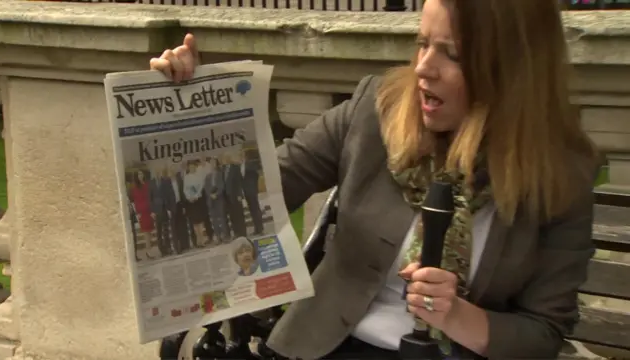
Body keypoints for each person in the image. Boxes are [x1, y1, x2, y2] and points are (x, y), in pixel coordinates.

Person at [149, 0, 598, 358]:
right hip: (328, 347)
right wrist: (195, 114)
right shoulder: (375, 111)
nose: (424, 67)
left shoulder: (562, 172)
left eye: (453, 53)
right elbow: (256, 190)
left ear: (516, 69)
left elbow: (544, 332)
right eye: (422, 43)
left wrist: (456, 314)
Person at [130, 170, 155, 260]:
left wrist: (152, 210)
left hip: (149, 210)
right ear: (136, 176)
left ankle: (149, 250)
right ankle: (148, 251)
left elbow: (150, 197)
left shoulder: (147, 184)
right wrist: (138, 213)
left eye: (141, 173)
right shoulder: (135, 188)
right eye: (139, 174)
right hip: (142, 212)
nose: (141, 175)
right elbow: (136, 201)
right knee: (146, 232)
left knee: (150, 232)